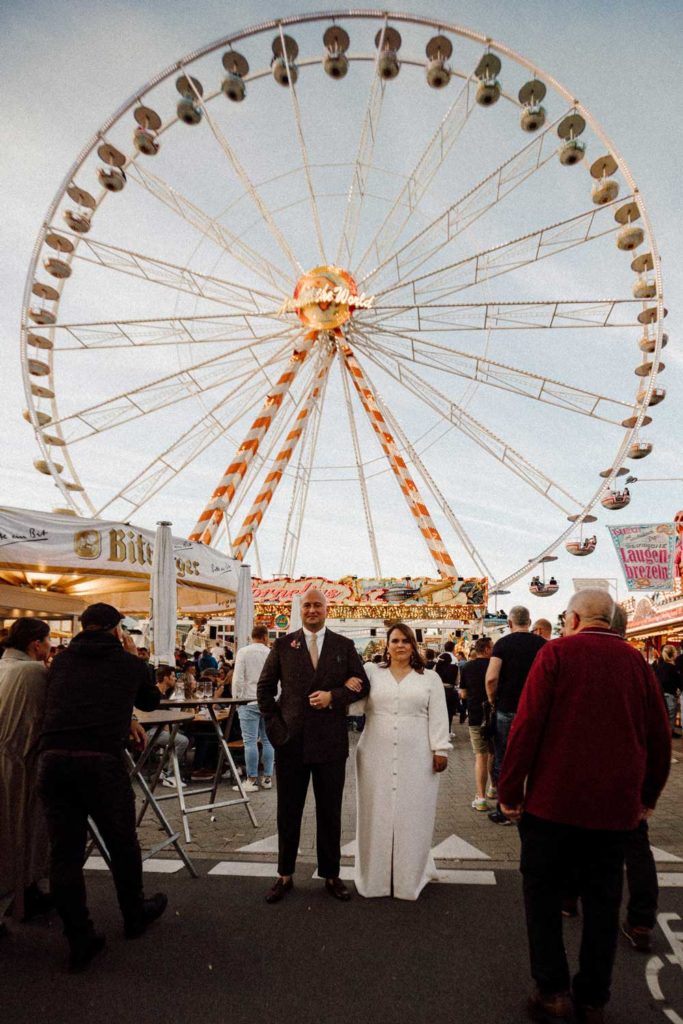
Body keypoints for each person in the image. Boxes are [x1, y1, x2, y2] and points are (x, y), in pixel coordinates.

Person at [498, 589, 671, 1023]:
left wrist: (510, 790)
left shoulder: (556, 655)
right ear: (610, 621)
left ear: (572, 618)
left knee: (542, 895)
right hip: (613, 809)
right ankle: (593, 996)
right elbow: (659, 737)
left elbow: (528, 725)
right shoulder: (637, 663)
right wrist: (648, 796)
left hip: (552, 803)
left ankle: (553, 990)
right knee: (603, 901)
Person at [38, 602, 167, 972]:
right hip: (100, 762)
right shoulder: (127, 662)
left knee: (64, 854)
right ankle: (133, 915)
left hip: (54, 759)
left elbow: (77, 699)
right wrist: (134, 659)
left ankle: (80, 939)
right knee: (122, 842)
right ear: (116, 629)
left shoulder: (60, 662)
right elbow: (151, 700)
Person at [257, 588, 370, 903]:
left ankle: (331, 875)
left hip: (330, 744)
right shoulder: (283, 644)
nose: (312, 610)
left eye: (317, 605)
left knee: (330, 812)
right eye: (306, 605)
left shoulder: (343, 646)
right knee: (288, 812)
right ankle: (284, 874)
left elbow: (363, 683)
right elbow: (265, 689)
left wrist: (334, 696)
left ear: (326, 609)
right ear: (300, 610)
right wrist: (275, 730)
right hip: (291, 743)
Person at [346, 623, 450, 900]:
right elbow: (354, 707)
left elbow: (439, 715)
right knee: (375, 815)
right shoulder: (372, 672)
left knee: (413, 815)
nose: (400, 645)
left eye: (406, 640)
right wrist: (348, 686)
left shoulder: (429, 678)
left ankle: (409, 878)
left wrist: (441, 749)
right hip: (374, 754)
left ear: (413, 646)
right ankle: (375, 879)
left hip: (417, 755)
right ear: (387, 644)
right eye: (395, 640)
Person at [0, 619, 53, 923]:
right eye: (47, 642)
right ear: (36, 644)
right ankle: (23, 896)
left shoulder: (4, 666)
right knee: (23, 833)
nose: (49, 649)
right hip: (20, 762)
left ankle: (24, 894)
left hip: (8, 758)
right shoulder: (32, 671)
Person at [486, 606, 545, 824]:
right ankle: (536, 809)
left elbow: (491, 678)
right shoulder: (542, 645)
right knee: (537, 759)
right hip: (536, 710)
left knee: (504, 758)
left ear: (509, 623)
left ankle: (505, 809)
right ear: (529, 622)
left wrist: (493, 700)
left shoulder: (502, 644)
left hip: (507, 708)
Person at [231, 625, 274, 792]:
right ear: (264, 637)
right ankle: (268, 778)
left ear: (252, 636)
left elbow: (238, 678)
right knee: (268, 740)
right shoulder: (270, 653)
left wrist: (237, 699)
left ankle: (251, 780)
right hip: (268, 701)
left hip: (248, 700)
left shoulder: (243, 652)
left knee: (249, 742)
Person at [459, 637, 494, 812]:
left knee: (481, 755)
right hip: (494, 715)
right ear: (487, 649)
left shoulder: (467, 667)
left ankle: (480, 798)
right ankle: (493, 788)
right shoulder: (496, 666)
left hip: (476, 716)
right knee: (494, 752)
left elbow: (463, 694)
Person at [150, 666, 189, 787]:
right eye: (172, 676)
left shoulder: (162, 694)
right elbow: (156, 718)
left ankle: (164, 770)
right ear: (166, 678)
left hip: (159, 728)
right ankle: (170, 775)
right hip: (151, 731)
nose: (174, 679)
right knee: (182, 741)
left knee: (188, 737)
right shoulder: (155, 693)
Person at [654, 645, 680, 738]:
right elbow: (678, 682)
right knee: (670, 715)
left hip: (660, 694)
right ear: (673, 654)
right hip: (669, 694)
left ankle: (664, 733)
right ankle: (668, 733)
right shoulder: (672, 668)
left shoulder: (660, 667)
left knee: (663, 715)